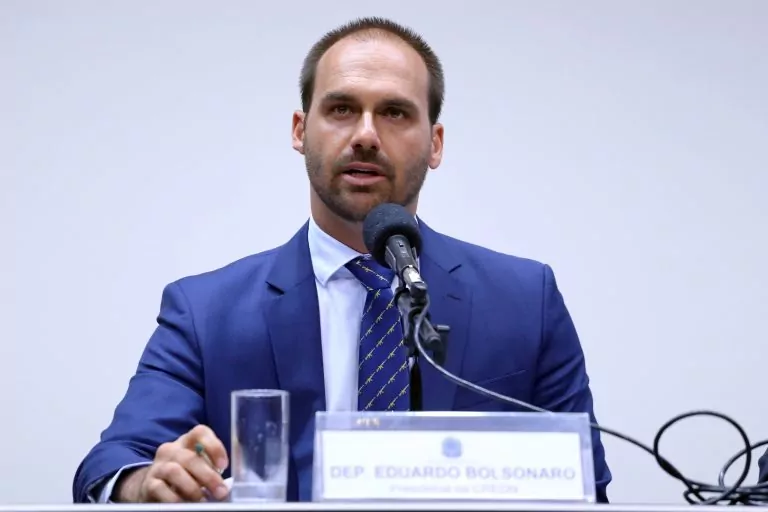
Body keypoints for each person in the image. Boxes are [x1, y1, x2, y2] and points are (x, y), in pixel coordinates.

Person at [72, 16, 612, 503]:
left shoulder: (526, 301)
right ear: (300, 130)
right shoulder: (205, 311)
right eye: (341, 109)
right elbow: (113, 462)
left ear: (435, 143)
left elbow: (587, 488)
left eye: (395, 112)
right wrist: (146, 482)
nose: (366, 135)